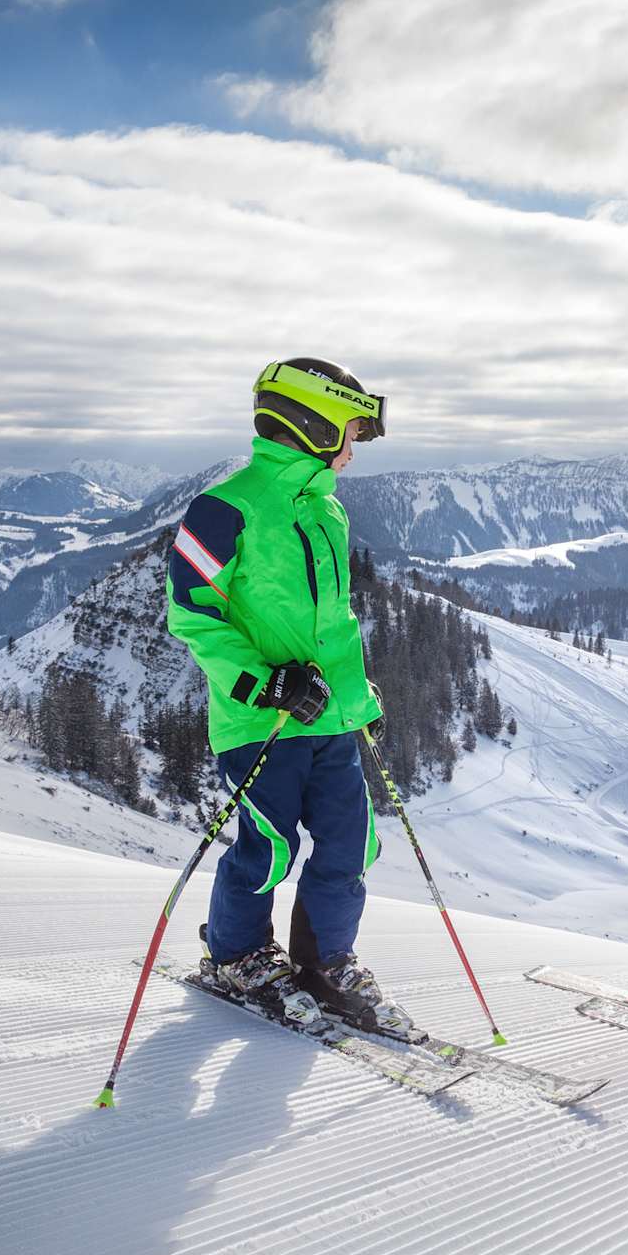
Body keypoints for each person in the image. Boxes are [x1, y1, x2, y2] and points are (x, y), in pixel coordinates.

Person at [166, 357, 404, 1035]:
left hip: (329, 717)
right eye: (349, 432)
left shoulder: (327, 510)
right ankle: (236, 955)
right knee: (268, 848)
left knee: (350, 844)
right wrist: (265, 681)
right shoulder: (224, 507)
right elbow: (191, 612)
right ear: (312, 423)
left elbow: (334, 625)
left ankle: (324, 960)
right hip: (260, 720)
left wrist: (359, 701)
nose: (353, 449)